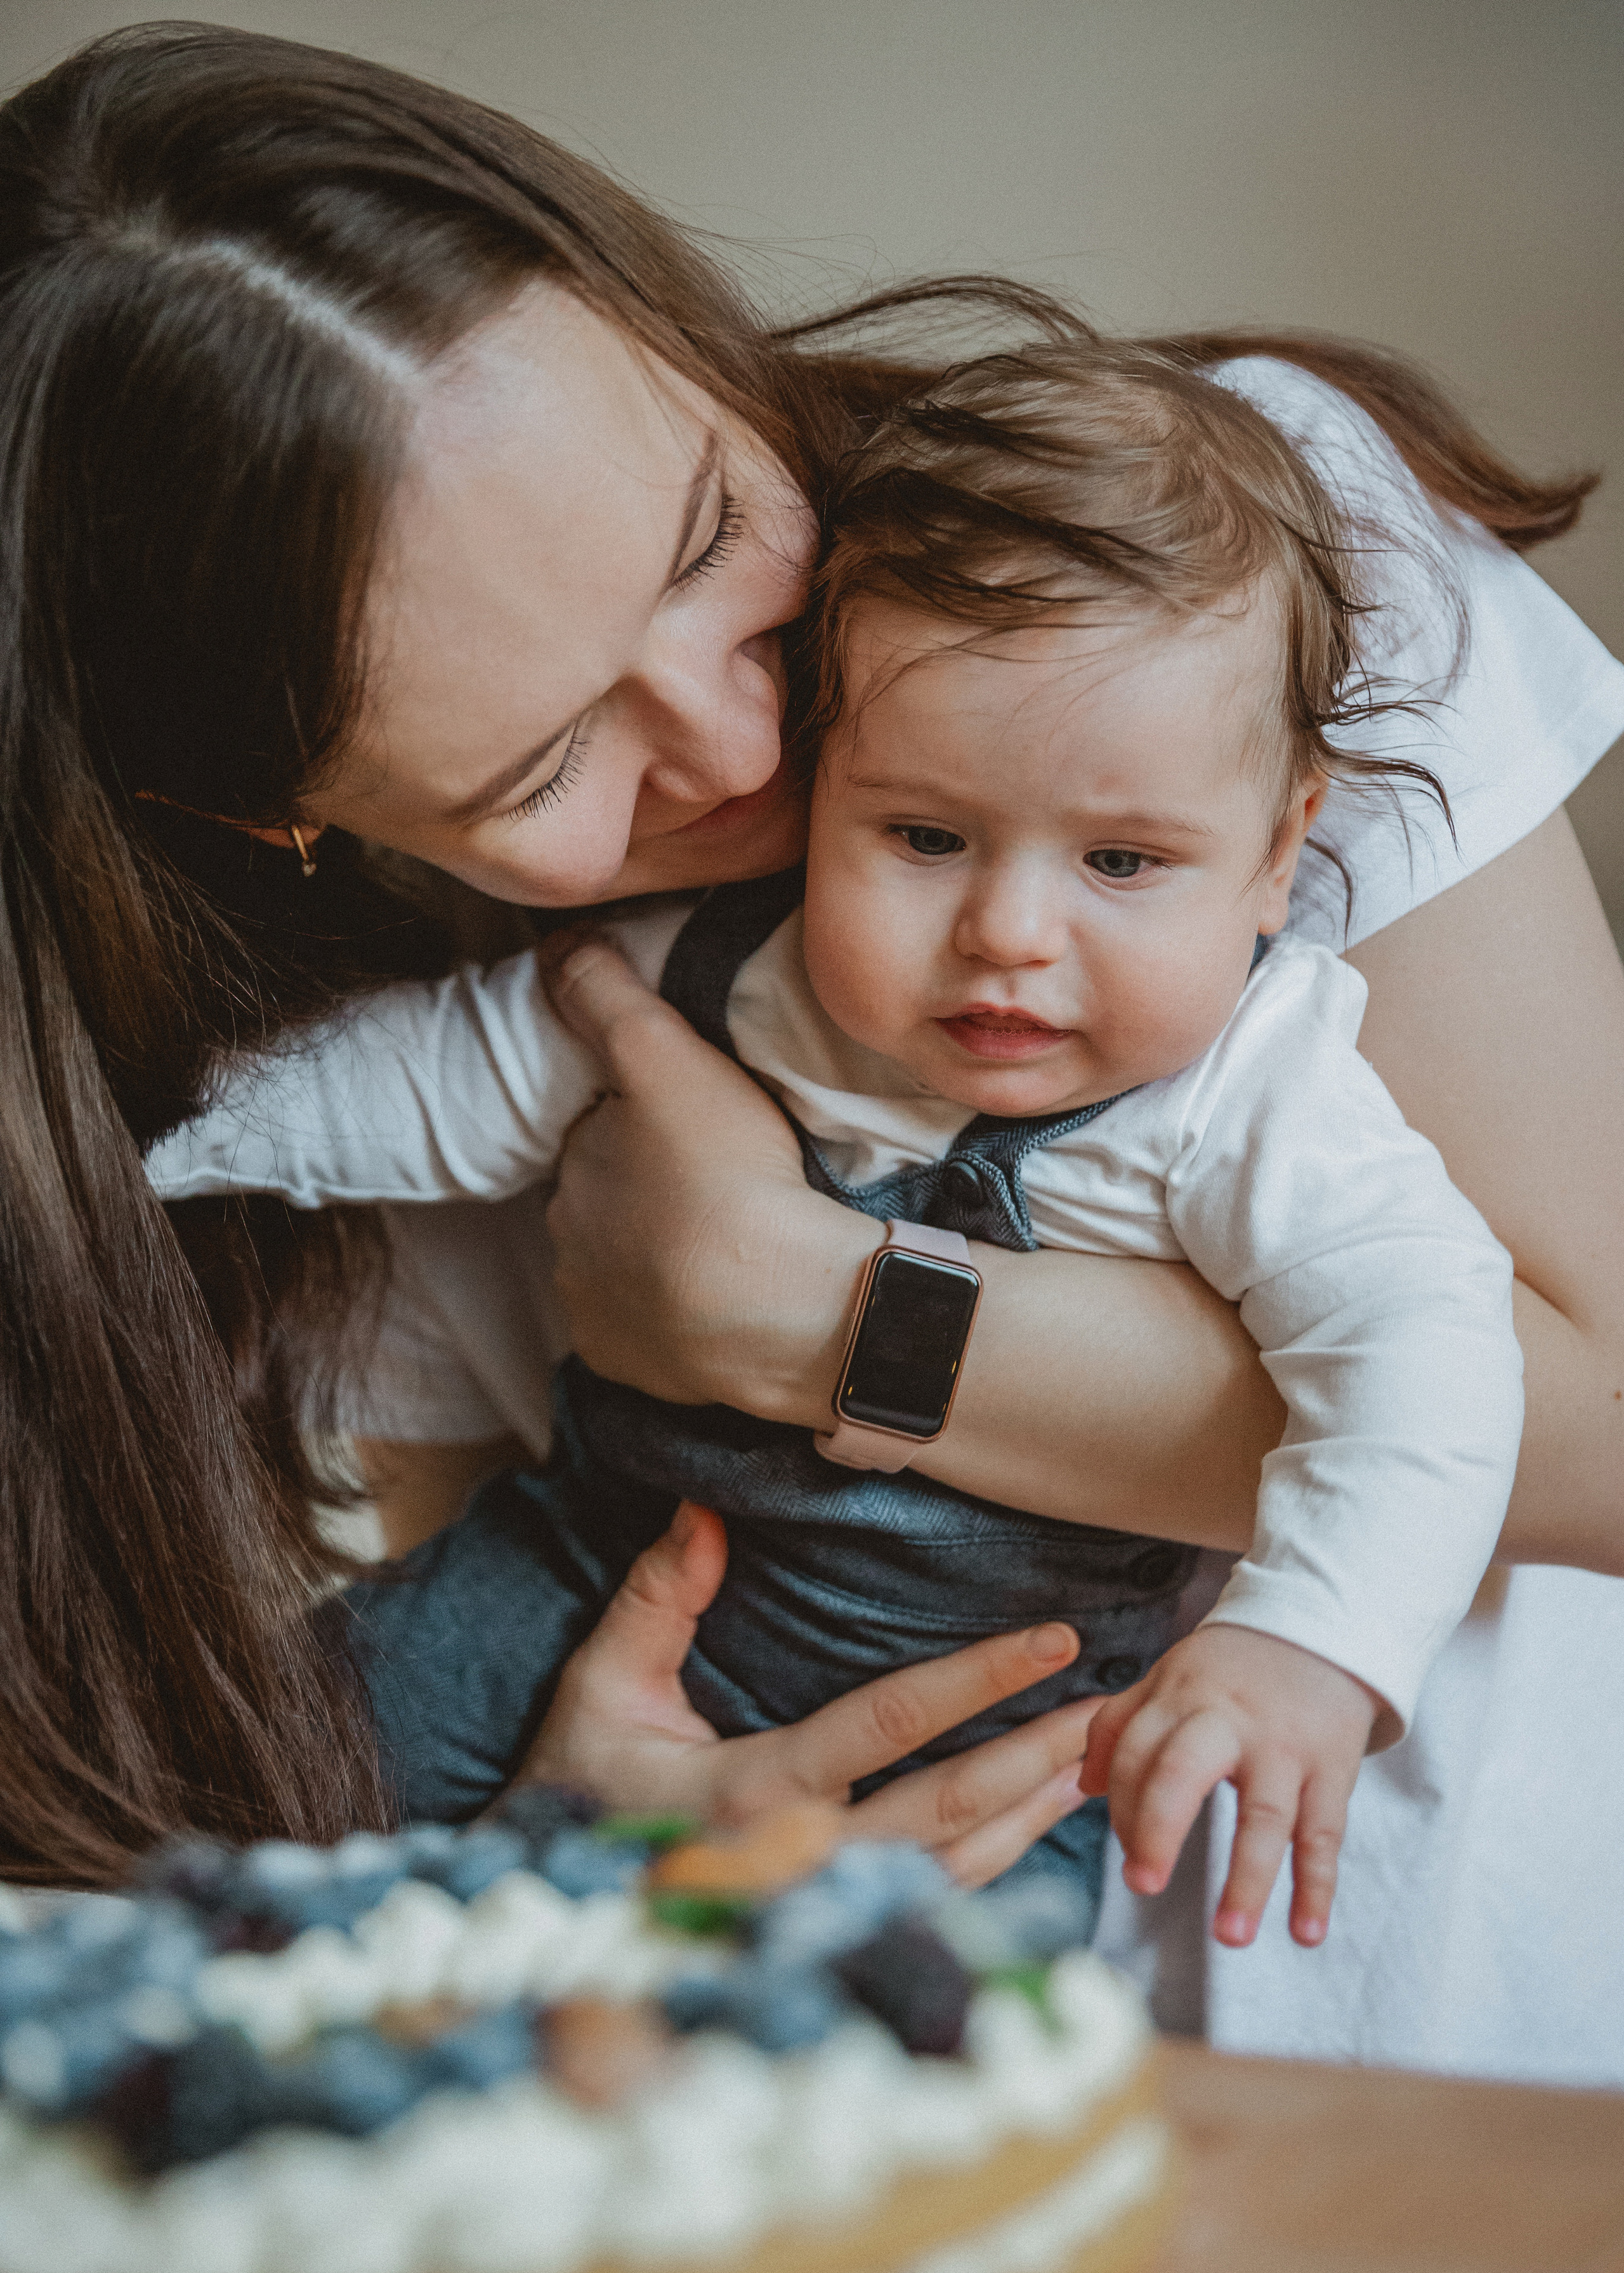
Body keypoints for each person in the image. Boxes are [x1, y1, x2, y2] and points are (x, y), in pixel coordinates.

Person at [2, 29, 1620, 2086]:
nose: (750, 741)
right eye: (549, 758)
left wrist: (817, 1318)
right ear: (283, 822)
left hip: (1465, 2027)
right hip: (885, 2089)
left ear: (668, 321)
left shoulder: (1223, 583)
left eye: (704, 541)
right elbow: (534, 1688)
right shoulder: (395, 1063)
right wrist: (571, 1848)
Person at [151, 339, 1525, 1956]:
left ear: (1280, 851)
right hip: (576, 1586)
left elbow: (1425, 1346)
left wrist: (1315, 1637)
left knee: (930, 2028)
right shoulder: (723, 967)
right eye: (923, 837)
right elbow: (425, 1081)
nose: (1010, 933)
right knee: (254, 1792)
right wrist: (148, 1148)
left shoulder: (1256, 1091)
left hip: (990, 1738)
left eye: (1124, 861)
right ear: (823, 793)